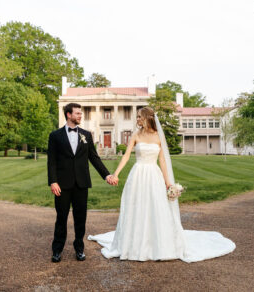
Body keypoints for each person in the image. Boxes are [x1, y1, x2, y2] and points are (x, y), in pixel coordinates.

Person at [88, 107, 236, 262]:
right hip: (138, 174)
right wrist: (116, 174)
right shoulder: (136, 135)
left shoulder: (159, 136)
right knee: (136, 206)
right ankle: (134, 243)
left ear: (147, 118)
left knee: (155, 207)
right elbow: (126, 156)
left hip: (154, 174)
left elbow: (163, 161)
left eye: (139, 117)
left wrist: (168, 183)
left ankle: (155, 243)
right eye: (137, 117)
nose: (137, 119)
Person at [47, 103, 117, 263]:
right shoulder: (55, 136)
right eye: (77, 113)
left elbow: (94, 158)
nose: (80, 116)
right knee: (61, 218)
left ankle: (79, 249)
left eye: (80, 113)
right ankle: (56, 250)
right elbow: (51, 162)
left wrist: (106, 175)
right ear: (68, 115)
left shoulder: (86, 134)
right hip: (62, 185)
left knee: (80, 218)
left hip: (81, 184)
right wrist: (53, 181)